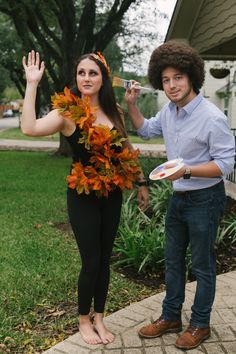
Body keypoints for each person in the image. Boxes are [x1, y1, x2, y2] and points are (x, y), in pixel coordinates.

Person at [21, 50, 149, 345]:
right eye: (82, 73)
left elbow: (127, 149)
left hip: (112, 194)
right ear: (76, 78)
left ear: (103, 78)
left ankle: (101, 318)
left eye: (93, 73)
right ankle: (83, 320)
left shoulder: (113, 110)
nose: (87, 78)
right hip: (82, 196)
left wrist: (141, 182)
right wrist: (32, 84)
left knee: (105, 259)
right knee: (91, 260)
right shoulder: (67, 112)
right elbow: (29, 128)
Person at [125, 41, 235, 350]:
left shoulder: (212, 118)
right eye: (165, 79)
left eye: (178, 77)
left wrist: (187, 171)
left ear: (192, 77)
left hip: (205, 198)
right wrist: (132, 105)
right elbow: (145, 130)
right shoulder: (169, 112)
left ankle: (200, 324)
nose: (172, 85)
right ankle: (170, 317)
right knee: (173, 262)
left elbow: (226, 164)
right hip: (179, 197)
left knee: (202, 265)